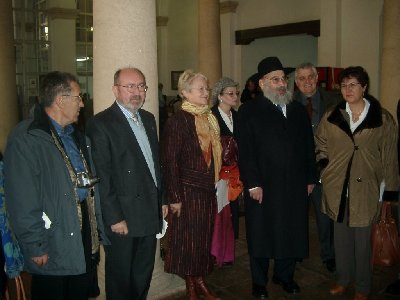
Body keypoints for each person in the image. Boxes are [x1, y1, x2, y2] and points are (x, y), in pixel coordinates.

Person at [4, 71, 108, 300]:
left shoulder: (77, 135)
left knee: (79, 289)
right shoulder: (27, 138)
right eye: (78, 97)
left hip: (82, 227)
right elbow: (22, 199)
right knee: (53, 290)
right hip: (52, 234)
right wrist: (35, 244)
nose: (82, 103)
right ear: (60, 100)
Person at [315, 66, 399, 300]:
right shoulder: (332, 115)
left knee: (363, 242)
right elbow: (320, 142)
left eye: (353, 84)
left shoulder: (382, 118)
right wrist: (324, 167)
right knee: (340, 240)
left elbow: (390, 156)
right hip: (337, 187)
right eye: (344, 85)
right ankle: (343, 279)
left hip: (367, 188)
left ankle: (362, 286)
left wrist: (390, 191)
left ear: (364, 87)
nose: (347, 89)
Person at [237, 56, 317, 299]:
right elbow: (246, 151)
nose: (282, 83)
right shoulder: (249, 111)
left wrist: (311, 178)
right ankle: (259, 282)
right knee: (261, 233)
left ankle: (284, 275)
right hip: (263, 185)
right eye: (275, 79)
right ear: (262, 84)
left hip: (294, 184)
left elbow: (308, 146)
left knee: (291, 230)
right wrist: (253, 183)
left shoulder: (297, 110)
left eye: (283, 79)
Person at [86, 67, 167, 300]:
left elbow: (154, 165)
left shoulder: (149, 119)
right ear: (115, 90)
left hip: (148, 211)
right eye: (129, 86)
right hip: (122, 217)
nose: (136, 92)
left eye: (141, 86)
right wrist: (113, 217)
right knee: (121, 278)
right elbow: (102, 176)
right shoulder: (100, 123)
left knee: (143, 273)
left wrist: (162, 199)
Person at [162, 70, 222, 300]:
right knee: (189, 241)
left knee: (203, 239)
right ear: (185, 93)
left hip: (206, 190)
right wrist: (174, 197)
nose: (206, 93)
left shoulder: (209, 118)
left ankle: (200, 279)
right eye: (201, 89)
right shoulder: (178, 121)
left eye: (207, 89)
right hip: (187, 192)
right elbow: (169, 161)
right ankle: (191, 285)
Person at [293, 62, 339, 273]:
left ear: (317, 77)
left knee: (325, 216)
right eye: (301, 78)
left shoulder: (335, 100)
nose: (306, 82)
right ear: (295, 82)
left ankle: (329, 255)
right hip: (296, 170)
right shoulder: (288, 102)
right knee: (296, 215)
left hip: (326, 169)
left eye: (310, 77)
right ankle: (297, 251)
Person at [210, 77, 243, 267]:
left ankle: (228, 253)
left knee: (232, 213)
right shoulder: (211, 116)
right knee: (219, 213)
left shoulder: (237, 116)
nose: (235, 97)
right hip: (218, 173)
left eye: (236, 93)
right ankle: (216, 253)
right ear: (220, 96)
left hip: (234, 173)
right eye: (230, 94)